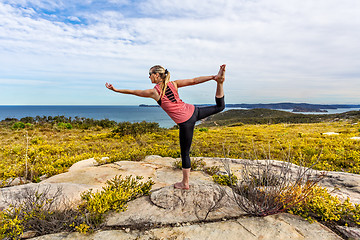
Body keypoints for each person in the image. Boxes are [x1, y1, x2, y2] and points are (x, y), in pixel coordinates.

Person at [105, 64, 226, 189]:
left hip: (186, 122)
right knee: (220, 107)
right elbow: (194, 81)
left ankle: (185, 183)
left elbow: (135, 92)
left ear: (157, 75)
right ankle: (220, 82)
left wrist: (117, 90)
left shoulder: (154, 92)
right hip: (194, 111)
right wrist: (213, 77)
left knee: (185, 153)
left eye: (150, 74)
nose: (149, 77)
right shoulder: (173, 84)